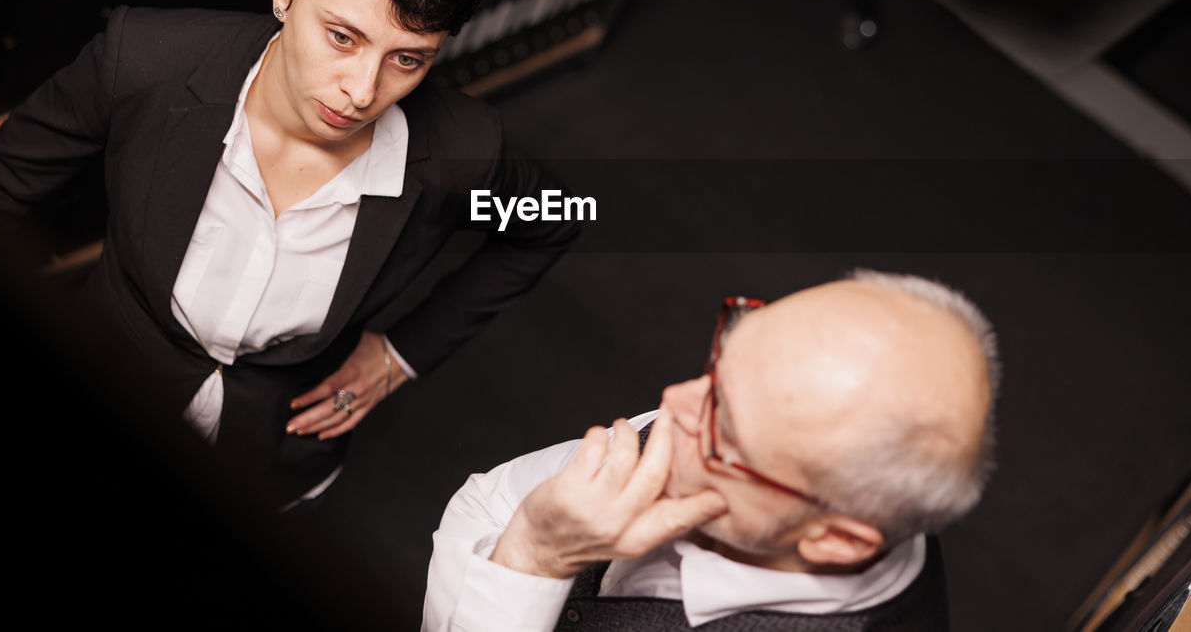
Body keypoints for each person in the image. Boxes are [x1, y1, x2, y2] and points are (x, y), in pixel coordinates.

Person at [0, 0, 579, 504]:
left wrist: (400, 353)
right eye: (342, 36)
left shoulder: (461, 148)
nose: (361, 91)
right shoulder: (143, 60)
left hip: (272, 460)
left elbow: (561, 217)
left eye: (407, 59)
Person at [423, 270, 1000, 631]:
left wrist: (535, 558)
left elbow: (504, 525)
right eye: (730, 354)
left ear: (836, 538)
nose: (675, 401)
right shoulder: (787, 440)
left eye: (727, 426)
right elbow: (486, 500)